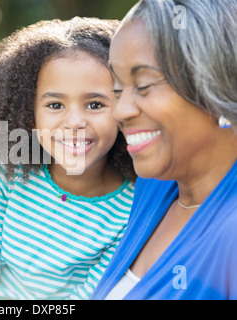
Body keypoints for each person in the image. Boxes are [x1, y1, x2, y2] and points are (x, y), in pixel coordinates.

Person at [0, 17, 136, 299]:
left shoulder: (131, 207)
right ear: (29, 113)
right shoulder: (4, 172)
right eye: (55, 105)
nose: (75, 122)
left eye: (95, 104)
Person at [91, 0, 237, 300]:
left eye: (143, 85)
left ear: (219, 83)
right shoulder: (155, 187)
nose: (121, 110)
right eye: (118, 88)